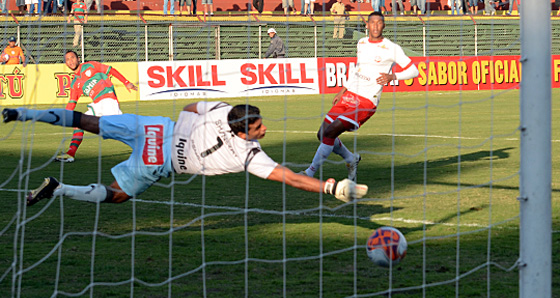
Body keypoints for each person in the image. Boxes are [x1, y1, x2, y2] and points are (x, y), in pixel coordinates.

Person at [2, 102, 368, 206]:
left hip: (155, 128)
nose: (264, 130)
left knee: (88, 121)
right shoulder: (249, 156)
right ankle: (61, 189)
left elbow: (192, 106)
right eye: (258, 128)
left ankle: (24, 113)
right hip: (159, 160)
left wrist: (183, 132)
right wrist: (328, 189)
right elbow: (288, 177)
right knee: (116, 196)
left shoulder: (223, 108)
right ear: (242, 131)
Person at [301, 12, 419, 180]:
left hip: (366, 101)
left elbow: (414, 70)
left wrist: (393, 77)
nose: (376, 26)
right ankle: (351, 158)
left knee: (331, 132)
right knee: (322, 133)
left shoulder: (391, 48)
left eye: (379, 23)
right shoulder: (362, 43)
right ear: (367, 25)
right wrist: (343, 89)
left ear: (384, 26)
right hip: (350, 95)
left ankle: (309, 173)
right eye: (372, 23)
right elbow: (358, 69)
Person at [55, 50, 137, 163]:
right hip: (98, 105)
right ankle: (70, 154)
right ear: (66, 64)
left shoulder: (90, 66)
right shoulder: (75, 83)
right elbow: (72, 101)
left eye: (72, 58)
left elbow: (110, 70)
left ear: (78, 59)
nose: (70, 61)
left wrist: (126, 82)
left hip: (108, 101)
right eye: (67, 60)